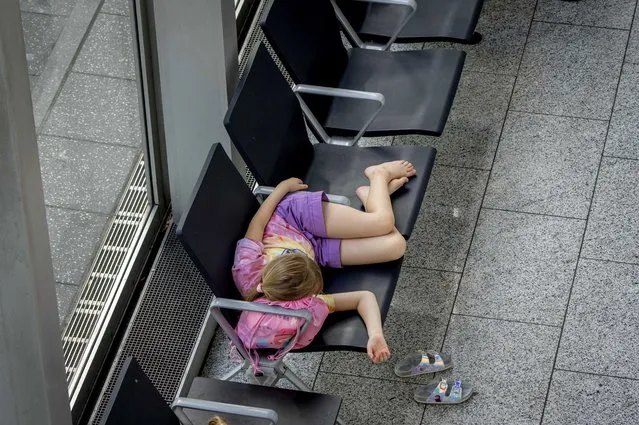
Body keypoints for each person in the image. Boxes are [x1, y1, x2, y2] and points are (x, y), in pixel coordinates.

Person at [233, 160, 416, 364]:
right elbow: (363, 298)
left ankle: (378, 175)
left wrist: (282, 188)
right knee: (396, 246)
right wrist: (375, 335)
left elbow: (258, 221)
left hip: (294, 218)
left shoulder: (247, 268)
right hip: (316, 251)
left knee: (383, 223)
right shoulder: (303, 307)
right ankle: (373, 197)